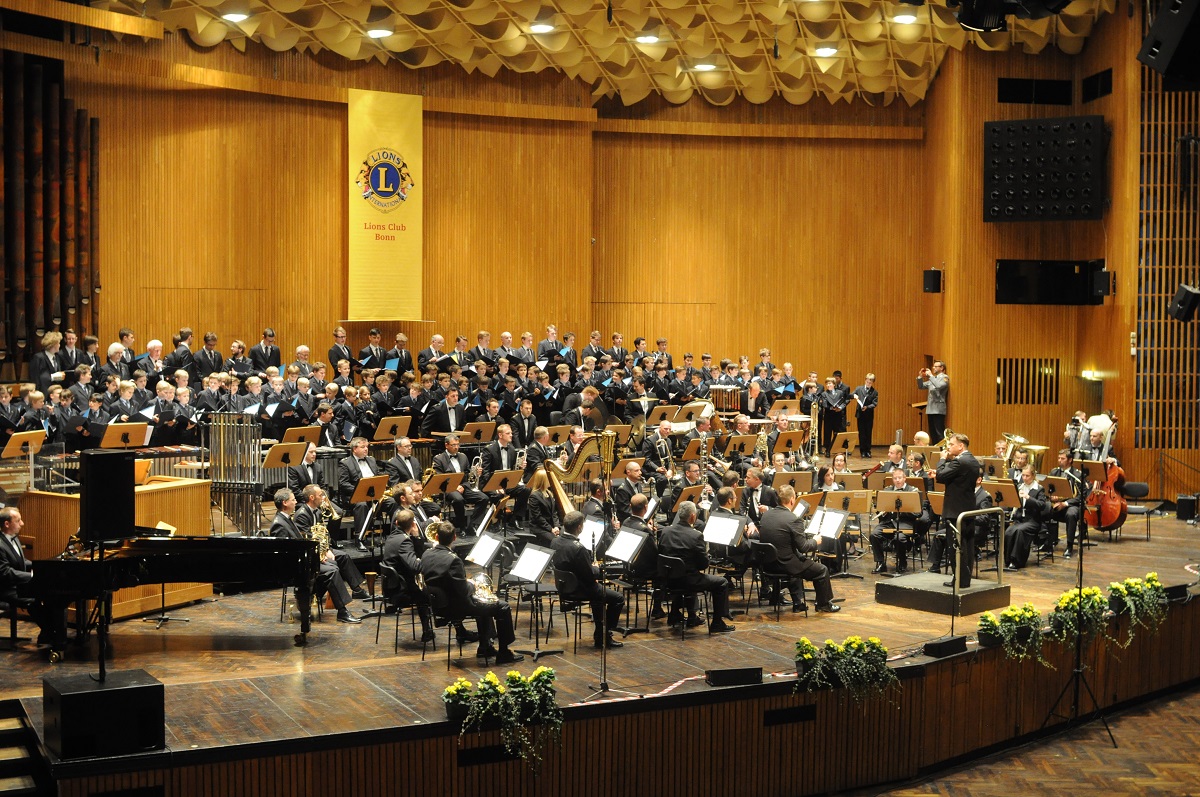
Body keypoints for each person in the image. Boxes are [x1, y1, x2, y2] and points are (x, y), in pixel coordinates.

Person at [419, 523, 522, 664]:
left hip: (438, 605)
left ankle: (485, 646)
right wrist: (472, 584)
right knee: (502, 606)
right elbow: (463, 591)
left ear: (436, 537)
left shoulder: (426, 554)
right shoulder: (453, 560)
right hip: (456, 606)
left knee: (484, 602)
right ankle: (504, 653)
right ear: (454, 537)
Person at [269, 489, 362, 624]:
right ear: (285, 503)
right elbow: (288, 553)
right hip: (294, 567)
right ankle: (342, 611)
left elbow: (299, 543)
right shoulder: (279, 524)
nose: (296, 502)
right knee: (331, 571)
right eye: (293, 499)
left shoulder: (285, 518)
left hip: (302, 561)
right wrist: (314, 558)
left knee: (333, 565)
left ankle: (313, 594)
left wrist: (317, 555)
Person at [758, 485, 840, 613]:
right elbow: (803, 547)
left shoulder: (766, 515)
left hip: (767, 565)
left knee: (799, 559)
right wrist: (815, 541)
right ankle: (823, 604)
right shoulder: (793, 519)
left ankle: (798, 603)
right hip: (785, 565)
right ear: (792, 500)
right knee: (821, 570)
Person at [657, 501, 735, 632]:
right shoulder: (696, 535)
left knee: (683, 572)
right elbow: (703, 564)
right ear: (693, 517)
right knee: (722, 583)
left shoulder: (665, 531)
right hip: (688, 581)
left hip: (668, 580)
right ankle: (717, 623)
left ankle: (675, 614)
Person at [552, 511, 624, 649]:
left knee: (598, 596)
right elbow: (591, 575)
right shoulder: (579, 549)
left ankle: (600, 635)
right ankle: (604, 633)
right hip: (581, 589)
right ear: (579, 527)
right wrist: (597, 568)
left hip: (564, 587)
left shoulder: (555, 541)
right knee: (618, 598)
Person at [0, 507, 62, 645]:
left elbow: (22, 562)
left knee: (49, 594)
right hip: (6, 588)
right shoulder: (0, 545)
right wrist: (31, 576)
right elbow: (5, 572)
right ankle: (51, 633)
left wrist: (40, 567)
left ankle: (49, 633)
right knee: (33, 599)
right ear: (7, 524)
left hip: (18, 583)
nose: (22, 523)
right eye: (18, 520)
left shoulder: (14, 539)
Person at [932, 432, 981, 587]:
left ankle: (959, 580)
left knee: (955, 548)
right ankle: (963, 579)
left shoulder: (959, 462)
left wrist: (942, 459)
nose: (948, 447)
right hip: (967, 509)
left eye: (951, 444)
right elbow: (956, 477)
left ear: (961, 446)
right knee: (967, 546)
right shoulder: (972, 460)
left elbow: (940, 476)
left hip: (955, 511)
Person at [381, 509, 436, 642]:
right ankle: (429, 630)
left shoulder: (392, 537)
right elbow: (415, 567)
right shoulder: (404, 542)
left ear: (396, 522)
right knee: (432, 592)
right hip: (401, 592)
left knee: (423, 591)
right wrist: (428, 560)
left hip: (390, 588)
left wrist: (416, 537)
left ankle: (428, 630)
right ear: (413, 525)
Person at [430, 434, 489, 535]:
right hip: (448, 489)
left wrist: (475, 473)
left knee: (484, 498)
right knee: (458, 499)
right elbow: (440, 478)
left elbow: (468, 475)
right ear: (446, 445)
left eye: (458, 445)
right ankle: (461, 527)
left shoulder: (463, 456)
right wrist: (455, 486)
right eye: (453, 445)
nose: (456, 447)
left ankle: (472, 525)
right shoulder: (439, 459)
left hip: (464, 487)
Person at [869, 469, 922, 574]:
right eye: (895, 478)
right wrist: (883, 511)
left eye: (900, 478)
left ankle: (902, 561)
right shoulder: (887, 491)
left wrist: (901, 510)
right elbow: (879, 509)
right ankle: (881, 563)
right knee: (874, 535)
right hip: (889, 522)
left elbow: (918, 513)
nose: (897, 480)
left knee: (900, 538)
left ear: (905, 478)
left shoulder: (913, 491)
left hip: (905, 524)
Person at [337, 437, 385, 546]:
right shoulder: (345, 463)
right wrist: (361, 490)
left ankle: (395, 535)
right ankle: (359, 538)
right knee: (362, 505)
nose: (366, 449)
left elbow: (377, 477)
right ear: (354, 449)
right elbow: (343, 484)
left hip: (374, 495)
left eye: (367, 447)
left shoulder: (372, 460)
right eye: (363, 447)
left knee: (392, 502)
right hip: (355, 496)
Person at [1004, 465, 1051, 570]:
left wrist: (1028, 498)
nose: (1024, 478)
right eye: (1023, 475)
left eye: (1027, 476)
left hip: (1033, 521)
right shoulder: (1020, 486)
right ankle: (1007, 560)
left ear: (1033, 476)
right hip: (1020, 520)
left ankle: (1016, 561)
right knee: (1009, 531)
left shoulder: (1039, 489)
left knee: (1019, 531)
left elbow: (1042, 505)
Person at [1049, 448, 1085, 558]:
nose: (1059, 460)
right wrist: (1051, 497)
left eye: (1062, 458)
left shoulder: (1078, 475)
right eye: (1059, 458)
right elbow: (1047, 489)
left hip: (1072, 505)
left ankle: (1069, 546)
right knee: (1043, 508)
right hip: (1056, 502)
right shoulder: (1054, 472)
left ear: (1070, 460)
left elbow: (1081, 497)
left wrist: (1065, 504)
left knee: (1071, 514)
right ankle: (1047, 542)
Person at [916, 361, 949, 440]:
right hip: (930, 409)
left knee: (939, 432)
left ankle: (941, 449)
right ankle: (935, 450)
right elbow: (921, 386)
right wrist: (920, 377)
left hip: (938, 409)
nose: (933, 368)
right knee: (932, 432)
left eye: (936, 366)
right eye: (933, 366)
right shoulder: (934, 379)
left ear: (941, 368)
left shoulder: (944, 378)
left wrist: (930, 376)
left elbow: (939, 386)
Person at [853, 373, 878, 458]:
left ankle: (868, 450)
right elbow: (852, 395)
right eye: (868, 380)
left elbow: (874, 404)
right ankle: (862, 451)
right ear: (865, 380)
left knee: (868, 433)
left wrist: (867, 407)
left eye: (871, 381)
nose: (869, 382)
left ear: (873, 382)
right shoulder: (859, 389)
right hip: (860, 414)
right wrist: (854, 396)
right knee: (862, 433)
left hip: (868, 415)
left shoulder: (874, 392)